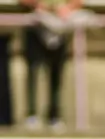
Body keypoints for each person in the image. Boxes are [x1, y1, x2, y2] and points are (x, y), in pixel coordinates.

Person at [19, 0, 77, 132]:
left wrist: (67, 8)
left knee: (56, 73)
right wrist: (38, 5)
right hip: (35, 26)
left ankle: (54, 115)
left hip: (60, 27)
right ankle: (31, 114)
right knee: (33, 71)